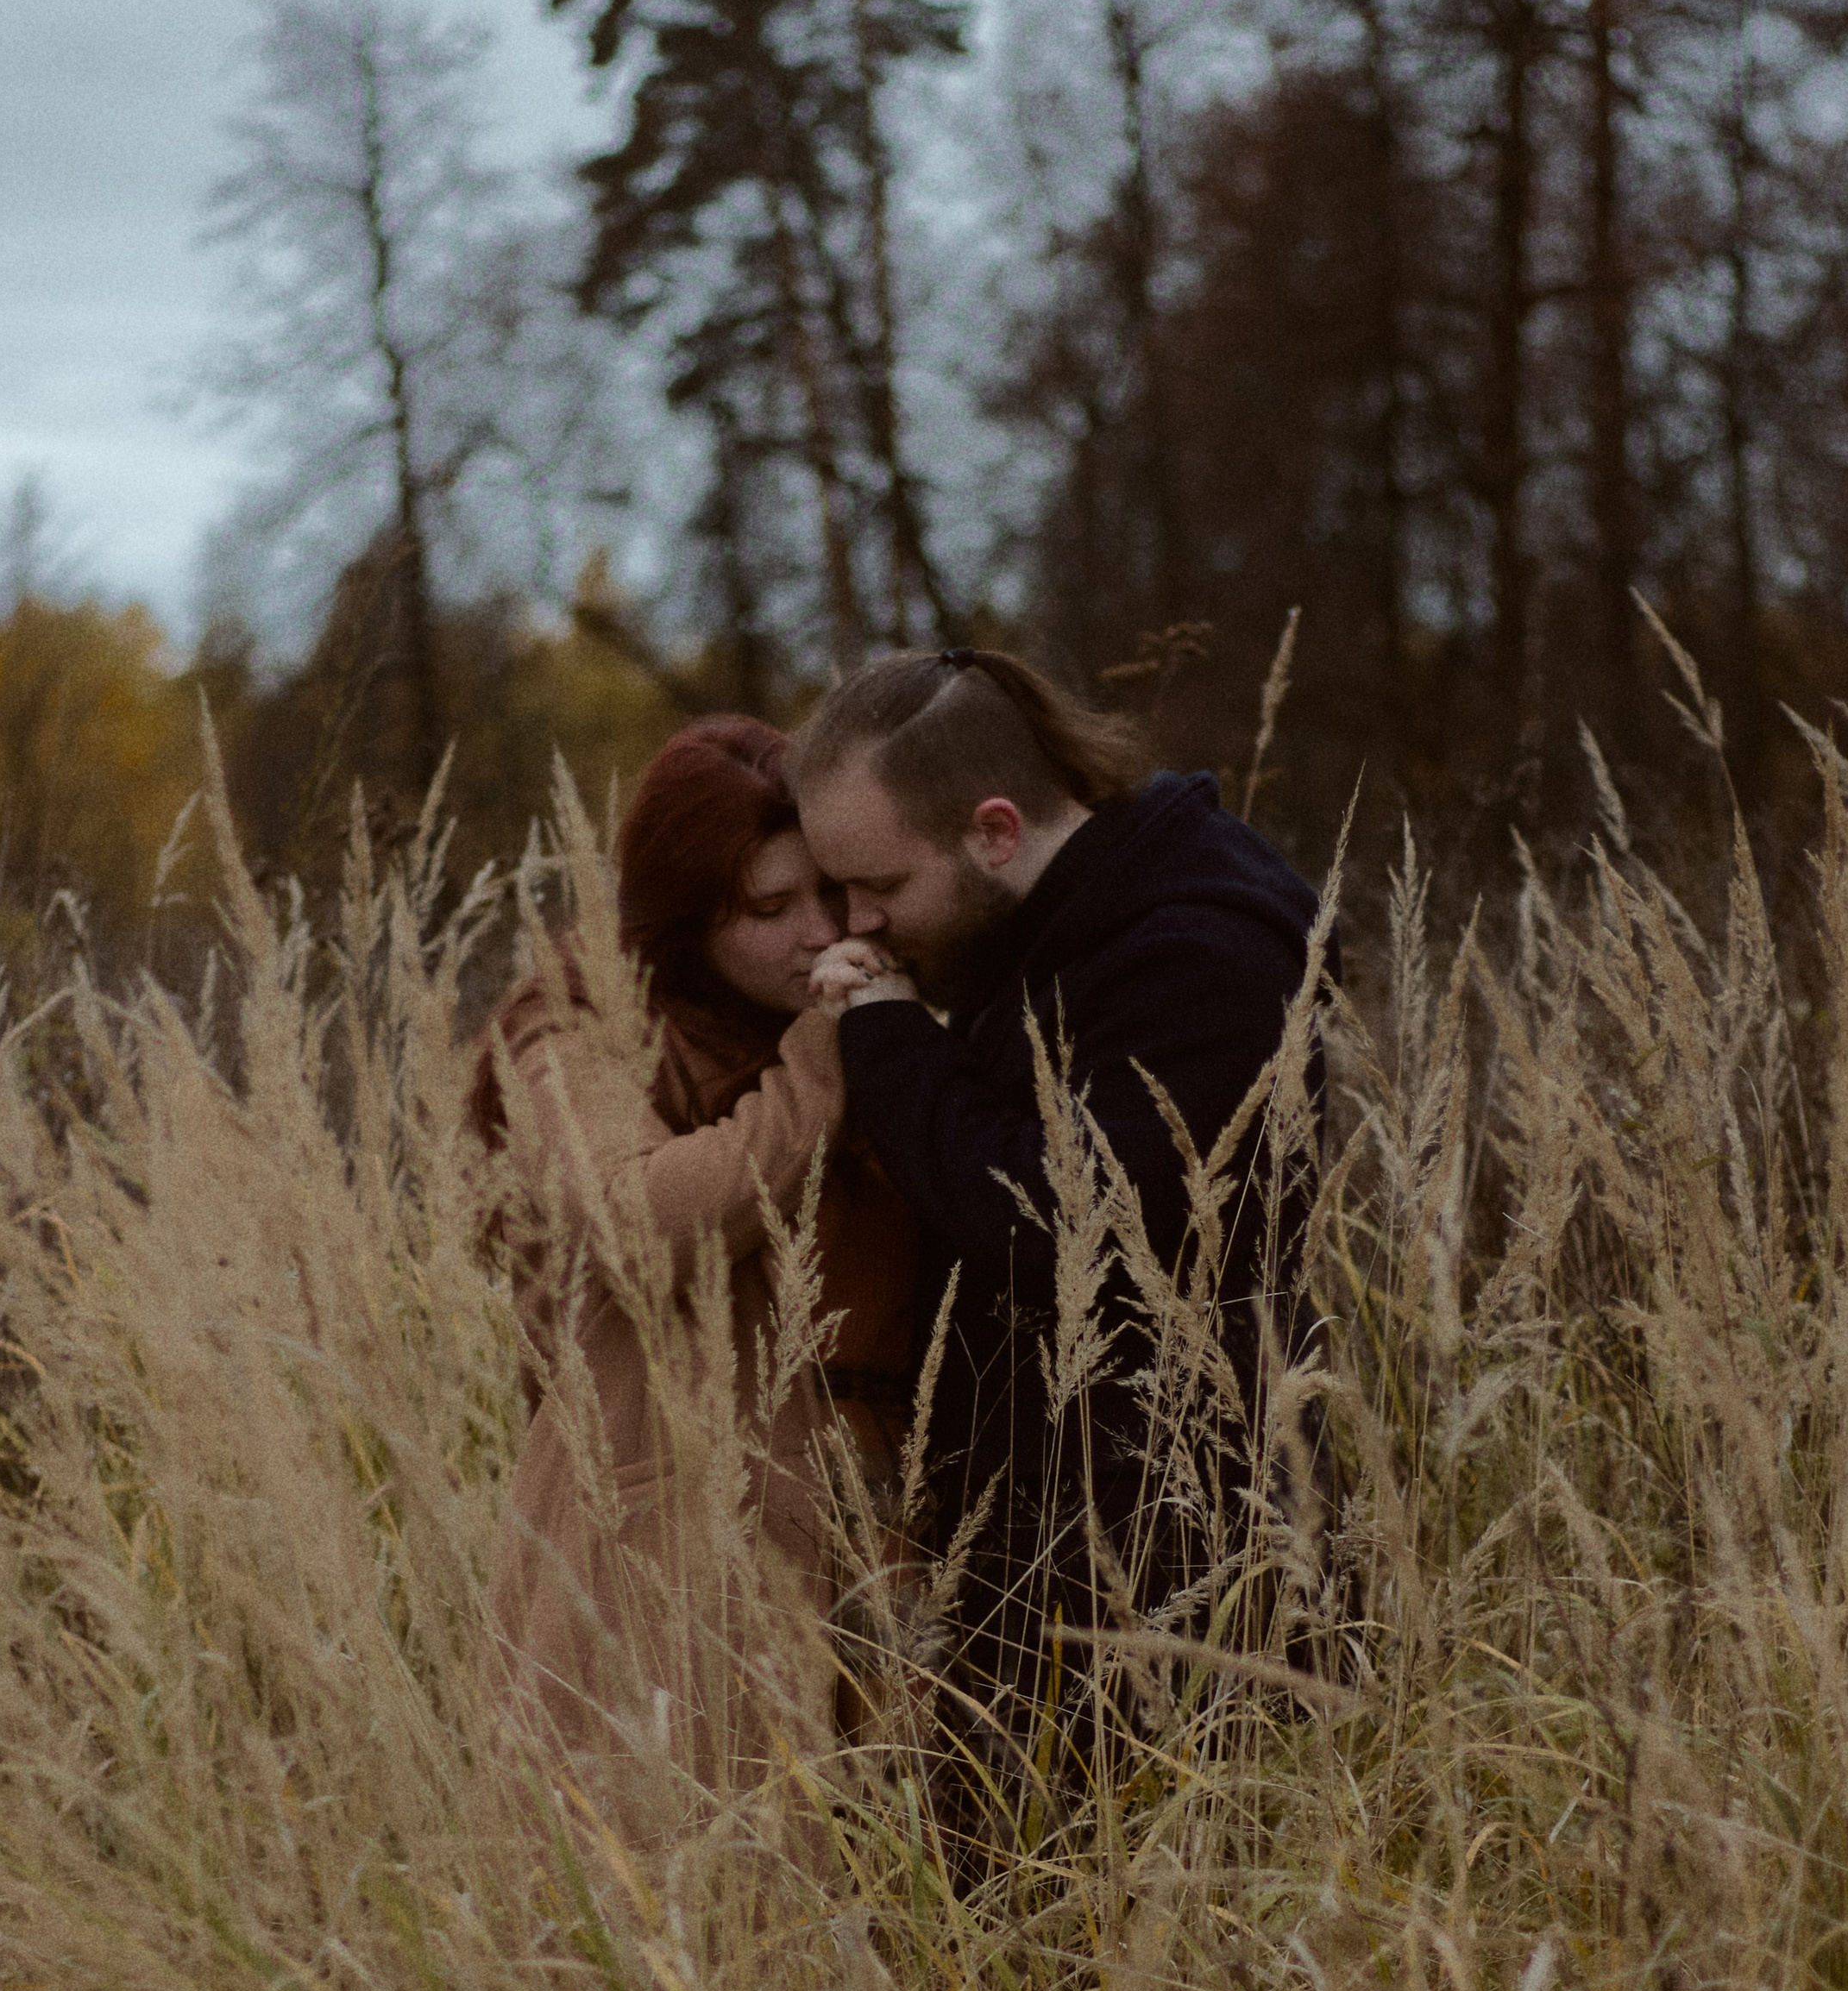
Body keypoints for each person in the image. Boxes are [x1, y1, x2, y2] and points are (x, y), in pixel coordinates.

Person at [792, 646, 1331, 1847]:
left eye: (876, 885)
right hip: (1048, 1527)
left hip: (1174, 1550)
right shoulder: (1053, 927)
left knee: (1150, 1942)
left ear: (993, 830)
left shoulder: (1199, 956)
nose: (856, 923)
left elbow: (1054, 1222)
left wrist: (885, 1035)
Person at [471, 714, 917, 1816]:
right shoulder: (585, 1024)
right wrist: (826, 1067)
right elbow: (631, 1216)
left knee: (886, 1926)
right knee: (694, 1908)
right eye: (769, 911)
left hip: (882, 1529)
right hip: (664, 1538)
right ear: (683, 917)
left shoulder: (907, 1004)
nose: (819, 936)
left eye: (831, 894)